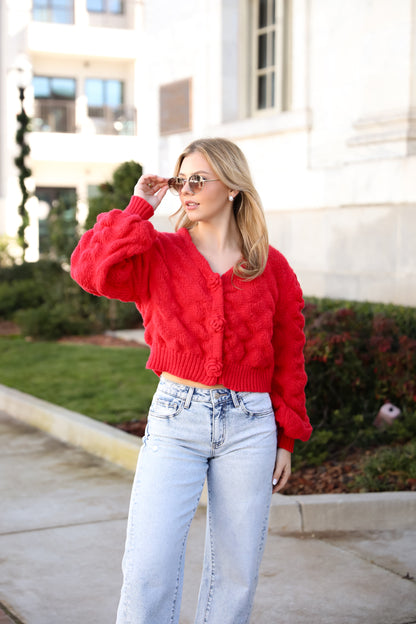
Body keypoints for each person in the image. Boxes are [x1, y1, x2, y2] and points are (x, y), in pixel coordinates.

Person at [70, 137, 312, 624]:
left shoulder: (272, 267)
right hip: (176, 419)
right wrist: (140, 208)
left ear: (234, 187)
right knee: (147, 569)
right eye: (182, 180)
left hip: (251, 427)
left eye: (198, 179)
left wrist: (286, 436)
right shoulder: (158, 254)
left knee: (236, 574)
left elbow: (289, 356)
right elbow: (90, 270)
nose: (187, 189)